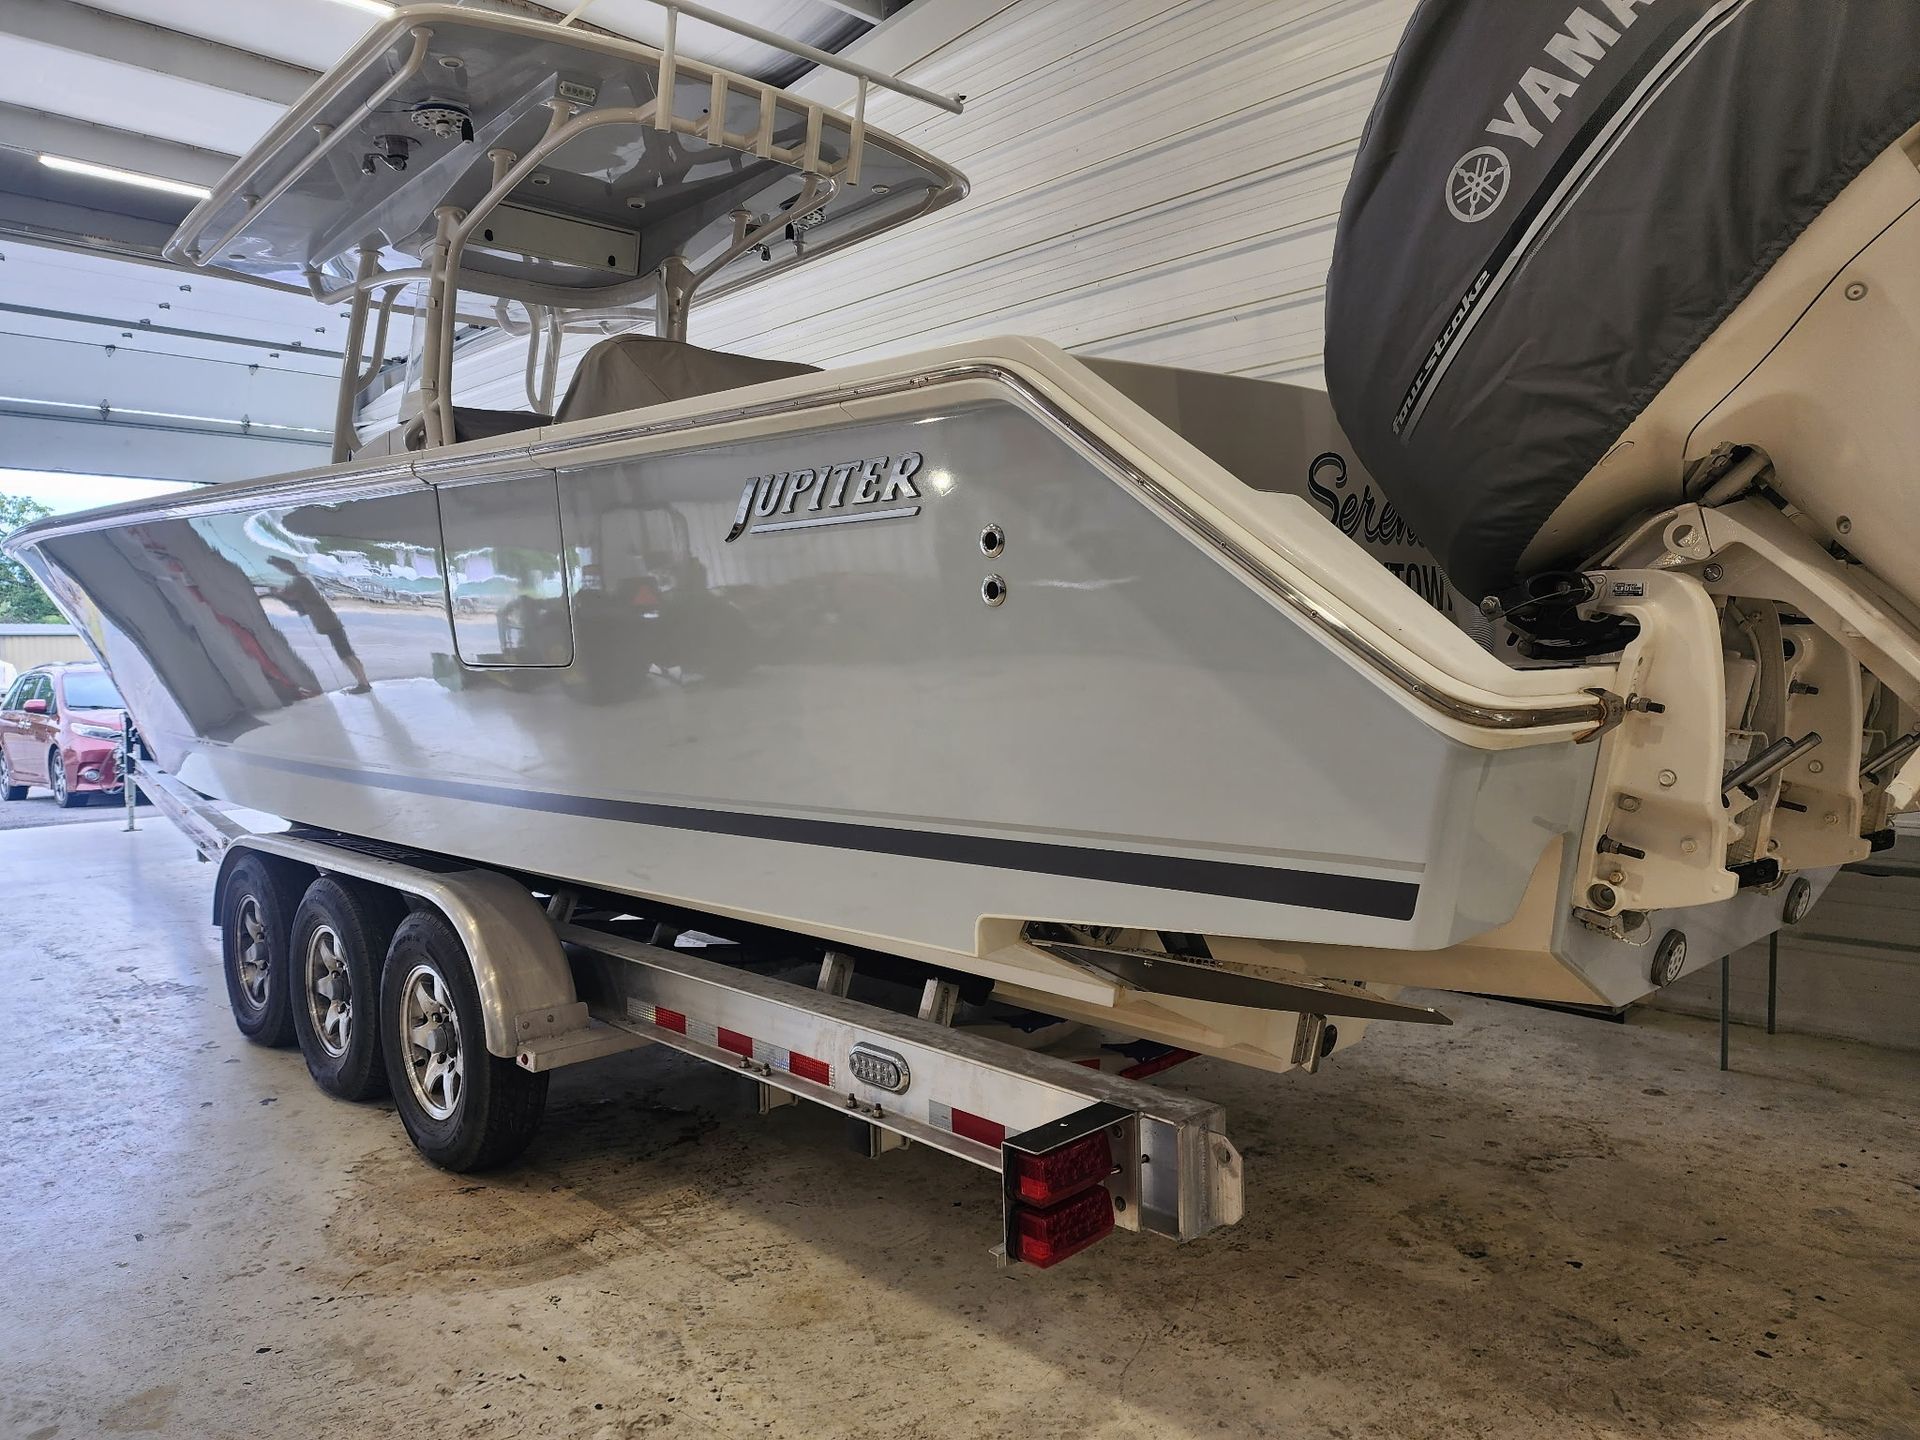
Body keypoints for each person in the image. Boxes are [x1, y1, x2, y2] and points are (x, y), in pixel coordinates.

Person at [264, 558, 371, 694]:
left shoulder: (300, 581)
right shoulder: (301, 581)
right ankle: (363, 682)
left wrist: (276, 593)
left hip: (328, 622)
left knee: (346, 654)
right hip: (329, 622)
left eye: (281, 567)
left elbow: (291, 596)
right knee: (346, 654)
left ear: (287, 568)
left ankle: (363, 683)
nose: (282, 570)